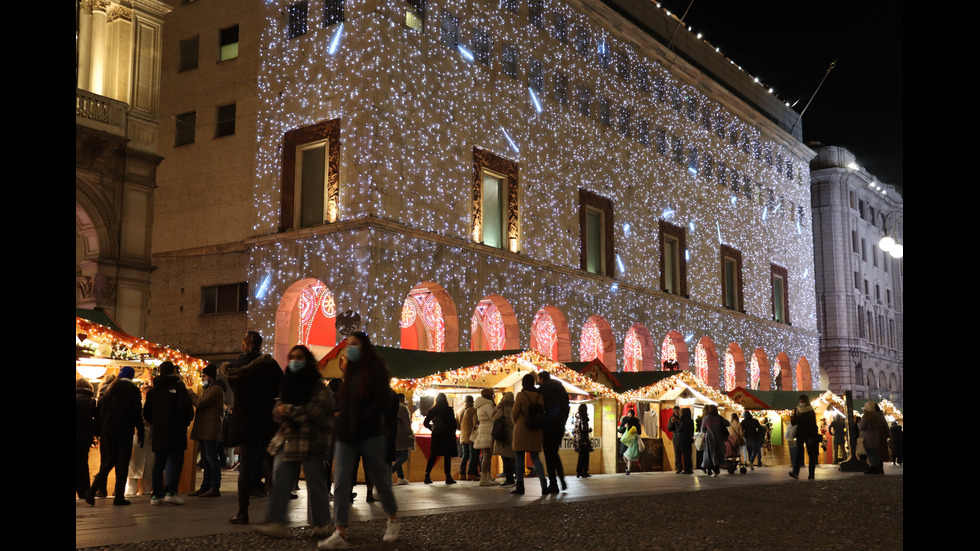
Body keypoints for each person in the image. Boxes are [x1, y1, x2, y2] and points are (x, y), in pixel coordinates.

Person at [319, 332, 399, 549]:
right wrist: (339, 414)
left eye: (354, 344)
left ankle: (392, 519)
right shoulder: (350, 372)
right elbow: (343, 400)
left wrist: (358, 417)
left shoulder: (377, 369)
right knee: (342, 482)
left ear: (364, 346)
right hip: (347, 434)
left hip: (371, 434)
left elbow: (383, 400)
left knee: (381, 483)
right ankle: (340, 532)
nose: (349, 348)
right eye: (348, 345)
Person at [257, 345, 334, 538]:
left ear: (307, 360)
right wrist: (286, 411)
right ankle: (277, 521)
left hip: (311, 439)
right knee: (281, 479)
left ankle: (323, 523)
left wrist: (288, 411)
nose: (295, 361)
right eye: (292, 357)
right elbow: (276, 411)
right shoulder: (286, 383)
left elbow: (314, 411)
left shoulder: (317, 385)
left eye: (299, 357)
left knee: (315, 481)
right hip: (288, 438)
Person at [222, 331, 283, 524]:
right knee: (272, 465)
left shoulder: (233, 367)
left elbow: (235, 388)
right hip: (267, 419)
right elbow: (280, 388)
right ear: (260, 344)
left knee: (246, 467)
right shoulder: (270, 364)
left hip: (244, 419)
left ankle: (242, 512)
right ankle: (274, 513)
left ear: (244, 344)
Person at [86, 366, 144, 506]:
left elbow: (102, 411)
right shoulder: (133, 391)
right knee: (122, 463)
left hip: (108, 430)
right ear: (131, 377)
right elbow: (136, 413)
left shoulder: (109, 389)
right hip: (124, 430)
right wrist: (140, 430)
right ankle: (119, 496)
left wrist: (102, 430)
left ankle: (93, 490)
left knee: (108, 461)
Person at [143, 361, 195, 505]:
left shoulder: (153, 391)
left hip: (159, 431)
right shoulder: (179, 388)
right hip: (176, 431)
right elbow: (185, 409)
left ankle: (156, 495)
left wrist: (157, 422)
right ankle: (170, 492)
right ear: (173, 371)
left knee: (158, 463)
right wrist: (185, 422)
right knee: (174, 460)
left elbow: (147, 412)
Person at [189, 364, 224, 497]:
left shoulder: (215, 390)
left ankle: (215, 487)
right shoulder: (210, 389)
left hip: (210, 430)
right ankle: (205, 486)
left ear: (211, 377)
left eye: (204, 376)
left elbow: (200, 403)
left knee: (211, 458)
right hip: (206, 430)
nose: (202, 378)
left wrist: (191, 394)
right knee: (206, 458)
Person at [511, 373, 548, 495]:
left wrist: (516, 421)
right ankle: (543, 484)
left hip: (522, 429)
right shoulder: (540, 396)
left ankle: (520, 486)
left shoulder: (521, 395)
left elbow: (514, 413)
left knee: (520, 458)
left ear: (523, 383)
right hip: (536, 430)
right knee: (536, 458)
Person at [538, 371, 570, 493]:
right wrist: (563, 421)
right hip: (560, 425)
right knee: (554, 453)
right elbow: (567, 406)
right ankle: (561, 479)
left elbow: (540, 406)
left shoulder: (543, 389)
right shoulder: (560, 387)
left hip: (548, 426)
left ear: (541, 379)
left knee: (549, 454)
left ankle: (554, 483)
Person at [422, 393, 458, 484]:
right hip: (447, 436)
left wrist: (433, 428)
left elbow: (425, 422)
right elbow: (453, 424)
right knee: (447, 456)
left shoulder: (433, 410)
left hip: (436, 436)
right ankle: (448, 477)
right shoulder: (449, 410)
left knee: (433, 455)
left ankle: (427, 475)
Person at [76, 378, 98, 500]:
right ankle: (84, 491)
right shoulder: (92, 402)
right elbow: (96, 421)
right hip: (84, 437)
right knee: (83, 463)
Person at [473, 388, 499, 486]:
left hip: (483, 430)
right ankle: (484, 478)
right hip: (488, 430)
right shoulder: (488, 405)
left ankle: (488, 476)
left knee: (487, 454)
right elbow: (493, 418)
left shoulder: (480, 405)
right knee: (487, 455)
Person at [789, 395, 819, 479]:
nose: (801, 403)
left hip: (809, 434)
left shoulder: (810, 411)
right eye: (800, 401)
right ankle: (795, 472)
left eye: (802, 402)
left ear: (806, 402)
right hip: (800, 434)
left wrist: (811, 437)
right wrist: (793, 420)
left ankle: (811, 474)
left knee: (811, 454)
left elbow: (813, 425)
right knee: (798, 452)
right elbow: (794, 423)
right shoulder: (797, 409)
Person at [491, 391, 517, 487]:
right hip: (514, 434)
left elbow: (493, 419)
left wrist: (496, 408)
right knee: (514, 457)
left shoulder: (502, 408)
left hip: (504, 436)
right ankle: (517, 477)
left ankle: (509, 478)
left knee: (505, 458)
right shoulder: (516, 407)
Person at [699, 405, 729, 477]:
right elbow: (727, 423)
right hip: (719, 439)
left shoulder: (706, 418)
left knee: (710, 454)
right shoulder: (719, 417)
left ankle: (709, 470)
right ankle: (716, 469)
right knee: (718, 454)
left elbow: (703, 430)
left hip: (710, 439)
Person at [392, 393, 414, 485]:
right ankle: (391, 471)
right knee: (404, 456)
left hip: (393, 435)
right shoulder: (402, 408)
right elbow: (406, 423)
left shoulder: (392, 407)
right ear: (402, 399)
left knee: (398, 457)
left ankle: (401, 477)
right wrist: (410, 434)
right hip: (402, 435)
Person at [859, 401, 885, 475]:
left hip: (867, 437)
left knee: (870, 453)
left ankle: (872, 467)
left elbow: (862, 427)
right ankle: (877, 466)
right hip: (875, 436)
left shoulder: (866, 416)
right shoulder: (877, 415)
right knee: (875, 452)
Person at [456, 395, 479, 481]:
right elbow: (475, 423)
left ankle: (462, 474)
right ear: (472, 401)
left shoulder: (459, 411)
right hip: (471, 436)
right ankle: (470, 473)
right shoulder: (473, 410)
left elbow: (457, 425)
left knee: (465, 455)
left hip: (462, 435)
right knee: (473, 454)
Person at [667, 407, 694, 474]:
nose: (677, 413)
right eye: (675, 412)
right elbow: (669, 428)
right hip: (677, 438)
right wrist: (673, 423)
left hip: (684, 438)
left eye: (678, 411)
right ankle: (679, 468)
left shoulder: (684, 419)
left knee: (687, 454)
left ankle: (688, 468)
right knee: (678, 454)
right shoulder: (672, 418)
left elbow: (682, 429)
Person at [618, 408, 641, 474]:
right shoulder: (624, 420)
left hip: (632, 440)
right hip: (625, 440)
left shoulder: (636, 422)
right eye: (629, 415)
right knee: (625, 456)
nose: (630, 417)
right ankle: (627, 466)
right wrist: (625, 427)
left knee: (630, 456)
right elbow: (620, 430)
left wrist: (636, 430)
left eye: (631, 415)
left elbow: (639, 432)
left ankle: (628, 470)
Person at [573, 403, 593, 478]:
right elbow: (583, 430)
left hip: (578, 440)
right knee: (585, 456)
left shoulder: (577, 418)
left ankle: (579, 472)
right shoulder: (583, 418)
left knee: (581, 456)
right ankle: (584, 471)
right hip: (583, 439)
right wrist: (589, 430)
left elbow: (577, 430)